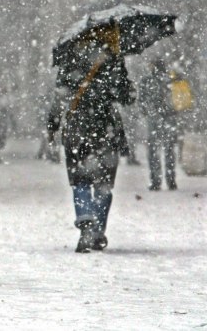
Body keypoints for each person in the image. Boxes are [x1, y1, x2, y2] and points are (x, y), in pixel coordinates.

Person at [48, 21, 135, 253]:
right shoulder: (113, 59)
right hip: (106, 127)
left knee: (80, 179)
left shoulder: (71, 58)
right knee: (104, 184)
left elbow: (60, 95)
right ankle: (97, 230)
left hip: (78, 127)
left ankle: (85, 219)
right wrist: (127, 90)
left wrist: (53, 122)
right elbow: (126, 96)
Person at [138, 59, 178, 191]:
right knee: (169, 150)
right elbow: (179, 100)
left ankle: (155, 181)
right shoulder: (171, 80)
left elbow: (141, 102)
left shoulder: (146, 81)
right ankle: (171, 180)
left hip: (153, 119)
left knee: (154, 150)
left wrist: (148, 111)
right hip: (169, 119)